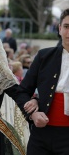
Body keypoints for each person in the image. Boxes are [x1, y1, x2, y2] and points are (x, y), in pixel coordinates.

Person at [16, 8, 69, 155]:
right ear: (59, 28)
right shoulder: (44, 56)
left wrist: (38, 99)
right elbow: (22, 92)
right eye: (66, 26)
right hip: (41, 135)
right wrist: (32, 114)